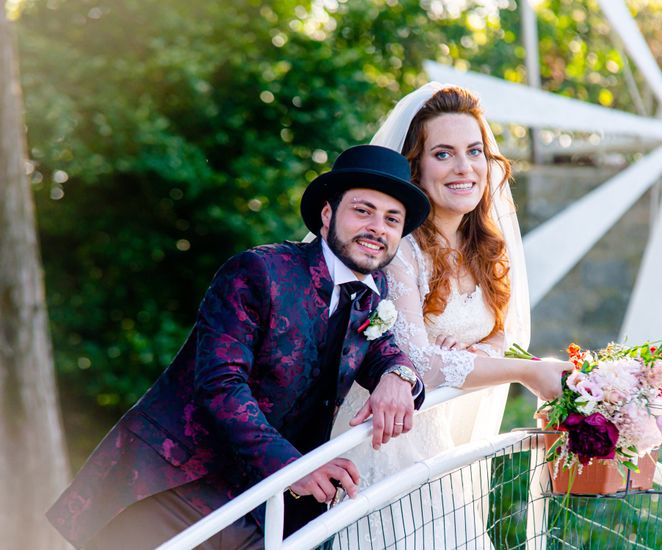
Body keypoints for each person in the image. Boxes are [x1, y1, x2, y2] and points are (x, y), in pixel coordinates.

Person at [46, 145, 432, 549]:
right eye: (363, 210)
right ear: (326, 216)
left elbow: (382, 347)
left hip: (264, 506)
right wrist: (293, 468)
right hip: (179, 487)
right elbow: (220, 385)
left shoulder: (374, 292)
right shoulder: (258, 271)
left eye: (392, 219)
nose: (377, 228)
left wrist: (398, 375)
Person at [328, 84, 570, 549]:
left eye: (474, 151)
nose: (464, 168)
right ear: (416, 166)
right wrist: (528, 372)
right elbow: (414, 360)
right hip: (386, 441)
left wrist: (478, 351)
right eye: (444, 154)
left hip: (441, 444)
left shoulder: (486, 248)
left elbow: (501, 334)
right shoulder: (399, 251)